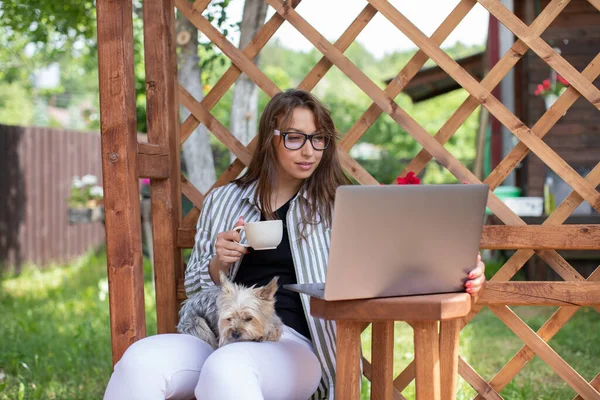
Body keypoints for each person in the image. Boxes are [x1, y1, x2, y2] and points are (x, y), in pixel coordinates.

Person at [103, 89, 486, 400]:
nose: (309, 151)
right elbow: (201, 292)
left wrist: (462, 271)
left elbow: (402, 263)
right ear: (271, 139)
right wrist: (220, 263)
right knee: (140, 361)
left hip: (295, 345)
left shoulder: (341, 206)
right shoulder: (224, 200)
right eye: (295, 137)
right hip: (221, 335)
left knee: (228, 369)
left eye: (318, 139)